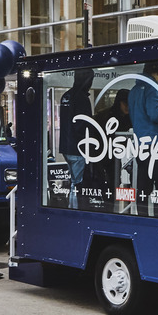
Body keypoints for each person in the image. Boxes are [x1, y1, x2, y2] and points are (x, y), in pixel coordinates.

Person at [129, 61, 158, 218]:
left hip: (140, 144)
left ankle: (143, 218)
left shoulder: (134, 90)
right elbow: (155, 114)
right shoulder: (153, 88)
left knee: (143, 186)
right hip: (156, 145)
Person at [59, 68, 94, 209]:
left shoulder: (66, 96)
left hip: (65, 146)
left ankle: (71, 207)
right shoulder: (82, 98)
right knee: (77, 182)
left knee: (73, 180)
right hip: (78, 147)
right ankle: (75, 209)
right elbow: (82, 125)